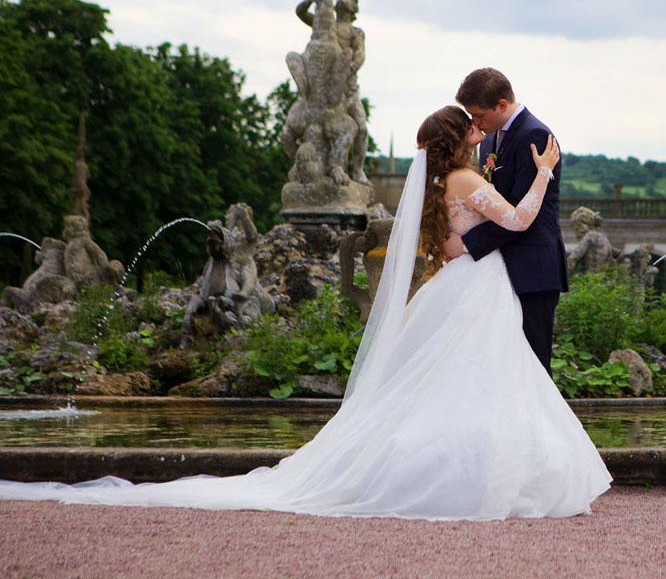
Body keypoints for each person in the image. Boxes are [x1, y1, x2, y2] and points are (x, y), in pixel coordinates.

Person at [0, 107, 610, 520]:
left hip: (462, 284)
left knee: (459, 383)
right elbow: (522, 220)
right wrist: (547, 173)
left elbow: (452, 241)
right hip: (475, 287)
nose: (481, 133)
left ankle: (475, 467)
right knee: (485, 379)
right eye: (473, 130)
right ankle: (488, 473)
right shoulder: (462, 180)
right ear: (461, 138)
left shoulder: (437, 183)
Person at [446, 68, 569, 375]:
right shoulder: (488, 140)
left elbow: (521, 212)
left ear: (501, 105)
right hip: (496, 268)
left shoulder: (535, 136)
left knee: (532, 364)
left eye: (479, 115)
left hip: (531, 266)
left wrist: (466, 244)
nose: (474, 123)